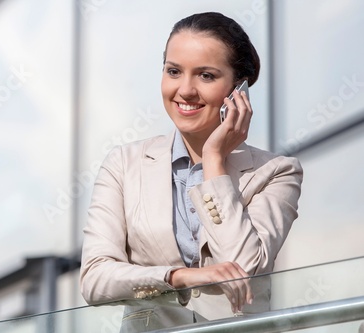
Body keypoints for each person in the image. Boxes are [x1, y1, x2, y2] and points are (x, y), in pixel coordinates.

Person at [80, 11, 303, 329]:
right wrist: (178, 277)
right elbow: (95, 277)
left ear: (238, 89)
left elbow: (244, 268)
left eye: (206, 76)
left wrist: (213, 161)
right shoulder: (123, 164)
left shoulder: (277, 173)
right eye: (173, 71)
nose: (185, 90)